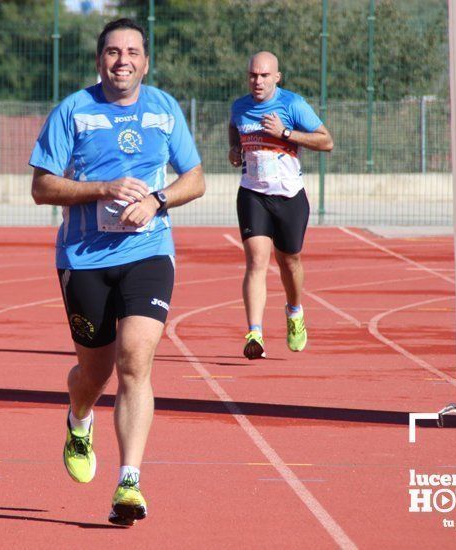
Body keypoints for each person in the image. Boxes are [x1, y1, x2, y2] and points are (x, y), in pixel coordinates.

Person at [29, 18, 205, 526]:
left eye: (132, 52)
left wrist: (157, 199)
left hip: (149, 252)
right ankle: (79, 418)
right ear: (99, 59)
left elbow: (195, 178)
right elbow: (42, 188)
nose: (122, 60)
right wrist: (103, 189)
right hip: (83, 260)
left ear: (145, 62)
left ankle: (129, 482)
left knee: (135, 362)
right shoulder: (74, 112)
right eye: (112, 51)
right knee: (94, 372)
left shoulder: (165, 109)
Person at [228, 51, 333, 360]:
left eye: (263, 76)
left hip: (289, 197)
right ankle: (254, 333)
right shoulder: (240, 107)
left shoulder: (292, 104)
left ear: (277, 77)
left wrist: (285, 133)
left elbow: (326, 141)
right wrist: (234, 149)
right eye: (252, 75)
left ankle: (294, 310)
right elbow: (235, 128)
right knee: (256, 261)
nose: (257, 81)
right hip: (252, 194)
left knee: (290, 261)